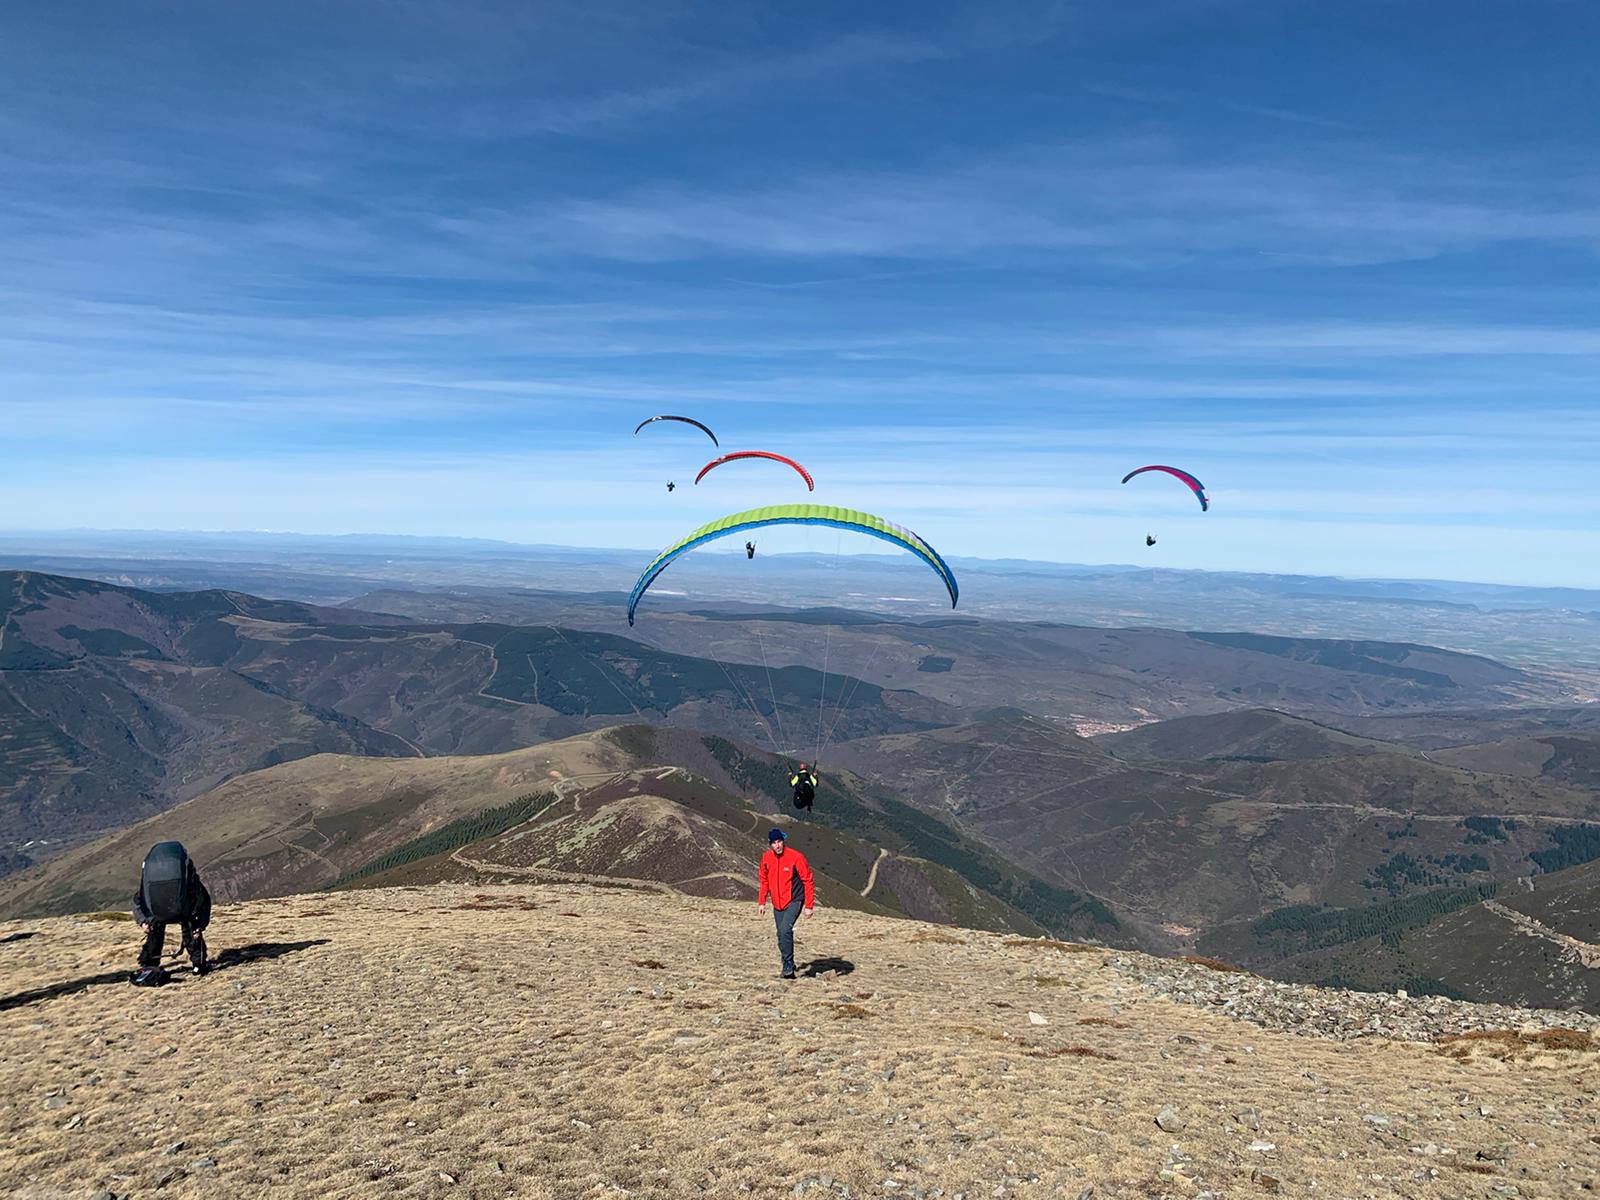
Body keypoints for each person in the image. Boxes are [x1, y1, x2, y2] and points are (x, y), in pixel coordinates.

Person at [131, 841, 211, 984]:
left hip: (157, 911)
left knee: (154, 931)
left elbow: (138, 901)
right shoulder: (190, 887)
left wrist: (143, 921)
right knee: (190, 930)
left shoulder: (150, 891)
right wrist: (200, 925)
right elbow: (204, 901)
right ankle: (198, 965)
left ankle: (149, 965)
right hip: (185, 911)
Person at [756, 828, 814, 979]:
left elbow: (807, 880)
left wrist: (808, 906)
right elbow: (764, 880)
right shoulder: (766, 858)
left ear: (783, 841)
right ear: (770, 844)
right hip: (777, 902)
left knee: (784, 931)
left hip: (794, 900)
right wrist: (762, 902)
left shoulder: (796, 857)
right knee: (781, 935)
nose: (777, 845)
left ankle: (788, 966)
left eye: (779, 841)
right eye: (774, 843)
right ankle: (788, 962)